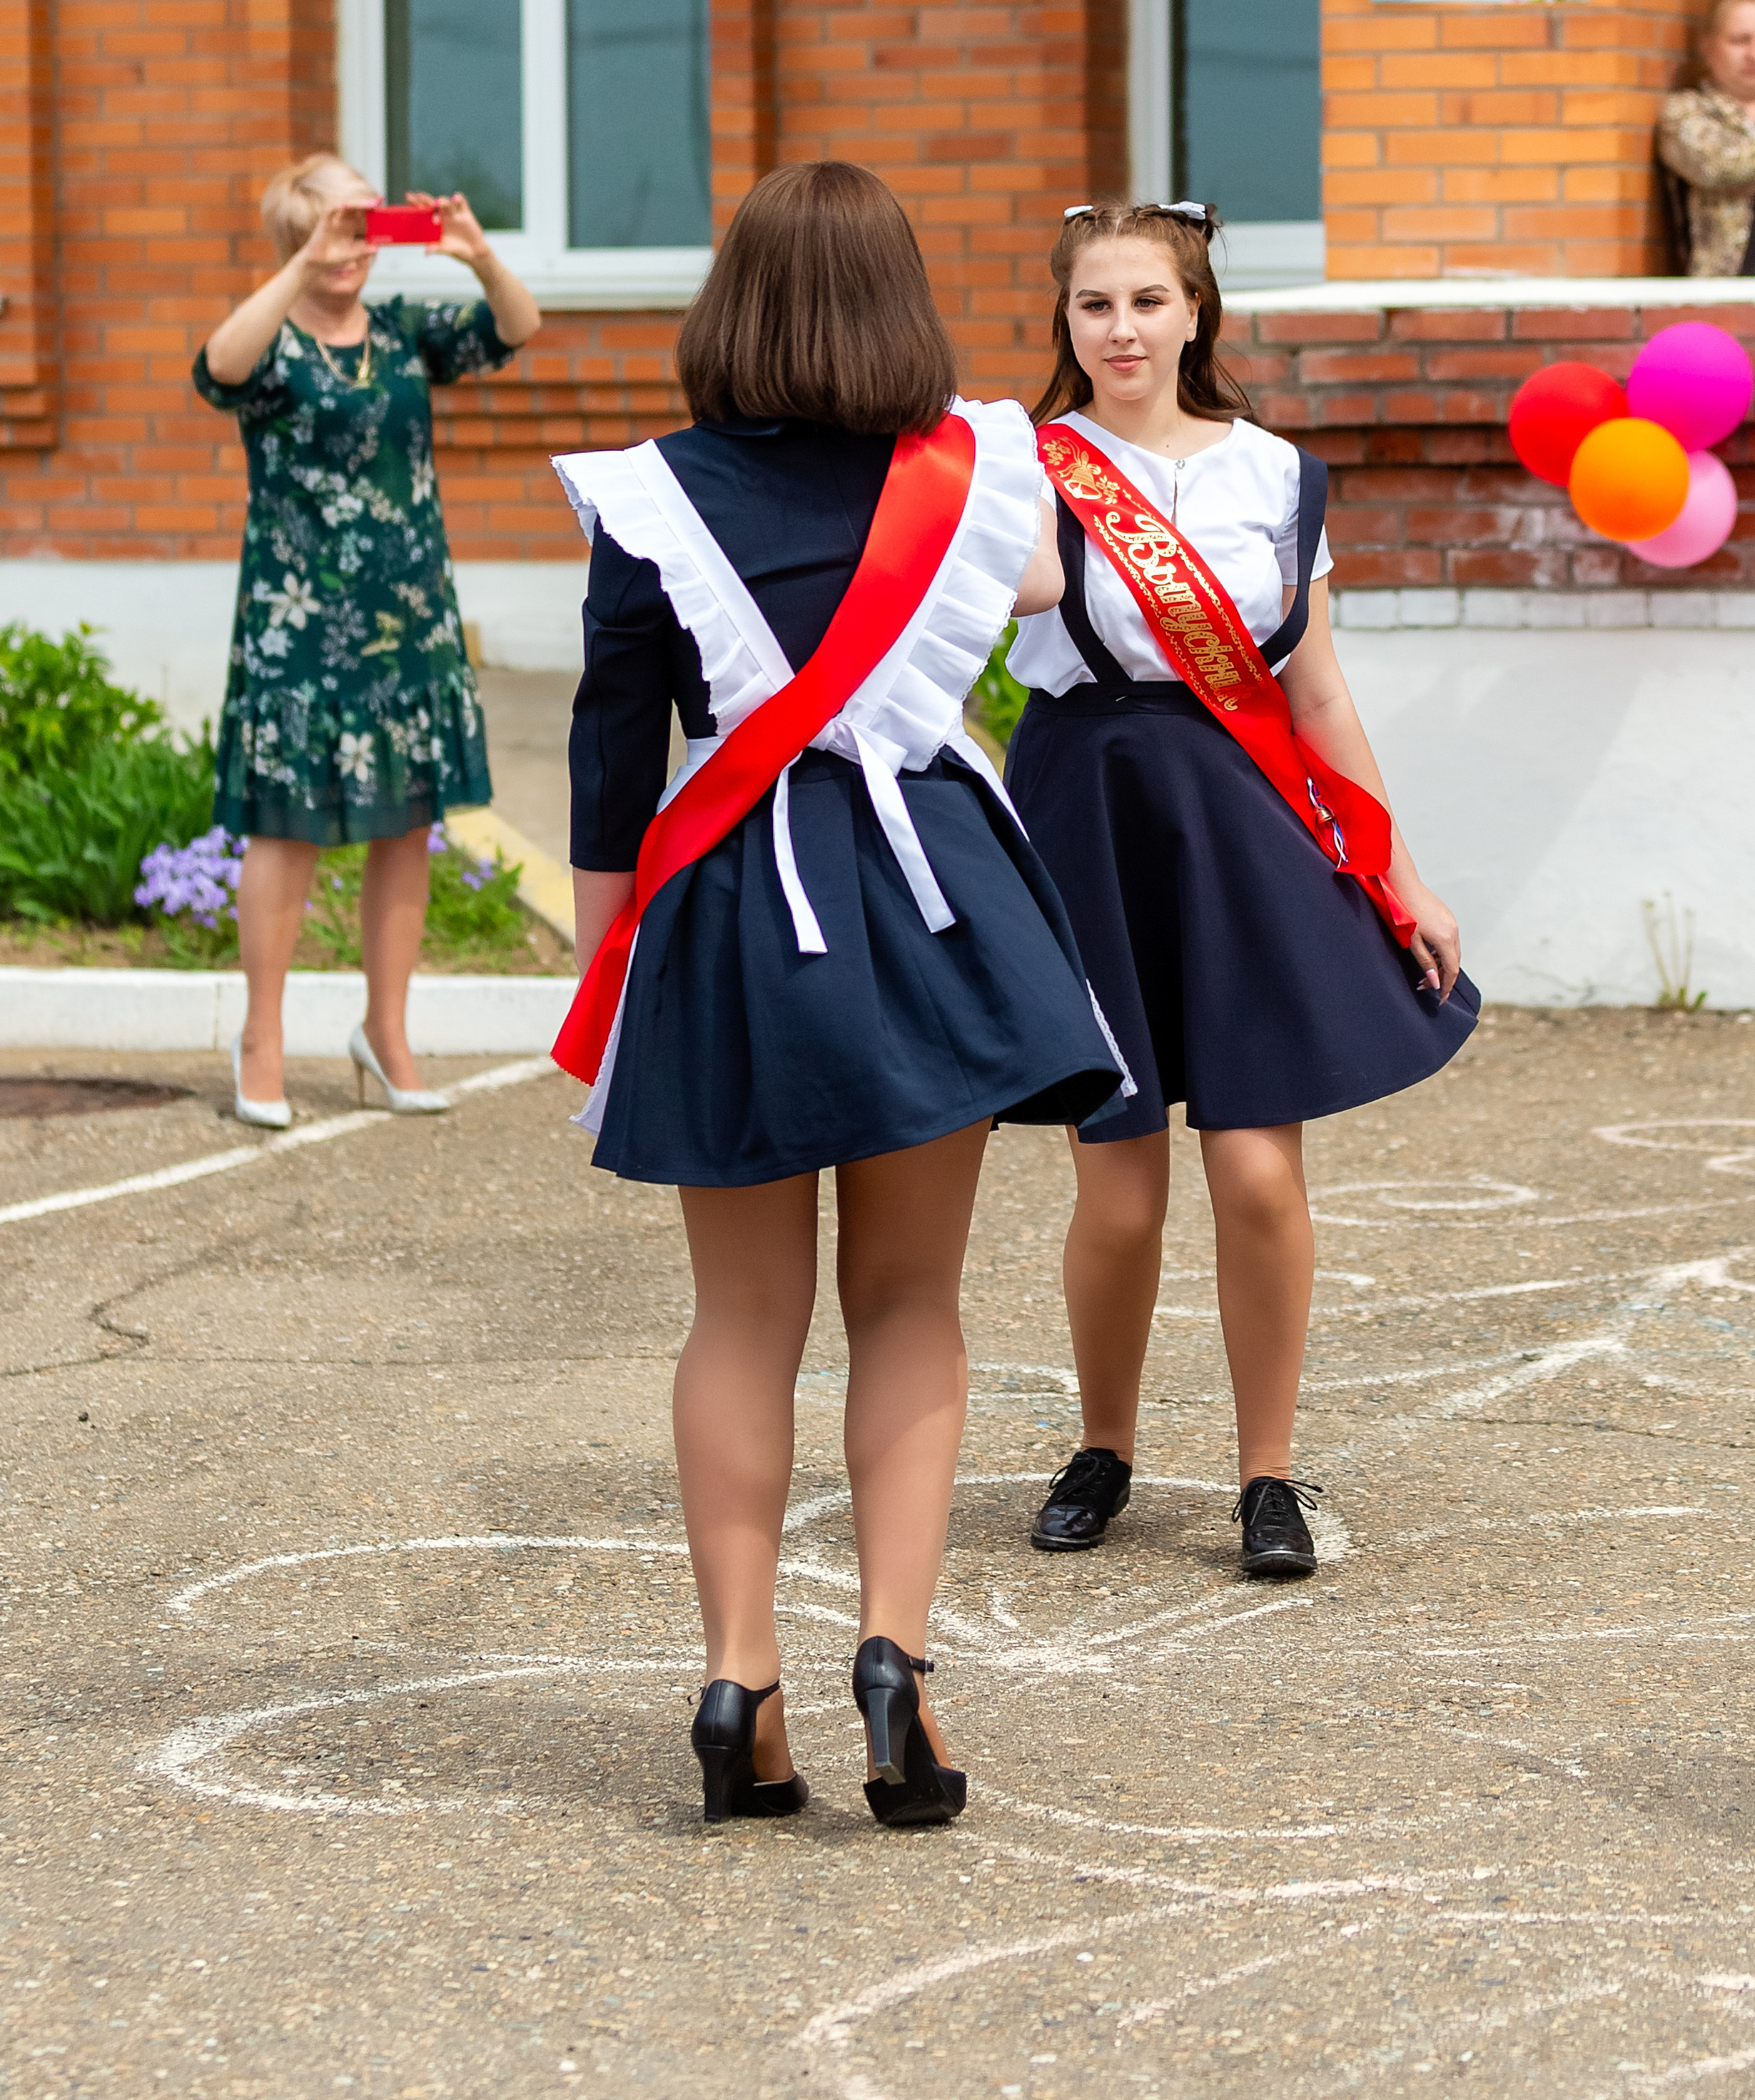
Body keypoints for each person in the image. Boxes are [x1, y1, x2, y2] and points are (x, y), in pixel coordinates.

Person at [553, 161, 1123, 1830]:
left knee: (739, 1317)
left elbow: (610, 748)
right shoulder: (972, 470)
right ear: (898, 306)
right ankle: (895, 1659)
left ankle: (739, 1679)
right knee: (907, 1303)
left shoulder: (650, 492)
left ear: (724, 302)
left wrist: (613, 955)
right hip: (924, 900)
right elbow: (1034, 590)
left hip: (726, 902)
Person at [1002, 201, 1479, 1579]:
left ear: (1198, 313)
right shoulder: (1028, 471)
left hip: (1243, 818)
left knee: (1260, 1177)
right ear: (1068, 323)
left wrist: (1396, 869)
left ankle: (1267, 1472)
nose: (1123, 330)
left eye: (1149, 301)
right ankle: (1105, 1445)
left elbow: (1314, 688)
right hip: (1087, 808)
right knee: (1121, 1186)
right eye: (1095, 306)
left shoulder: (1274, 476)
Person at [196, 152, 540, 1129]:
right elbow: (220, 365)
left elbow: (518, 329)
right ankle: (260, 1039)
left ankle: (386, 1033)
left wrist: (476, 254)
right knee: (287, 829)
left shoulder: (401, 335)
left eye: (362, 223)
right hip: (296, 626)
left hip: (410, 621)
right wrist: (300, 268)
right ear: (298, 233)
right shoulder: (272, 338)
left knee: (406, 826)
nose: (351, 243)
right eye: (332, 224)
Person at [1657, 0, 1755, 279]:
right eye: (1740, 41)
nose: (1753, 54)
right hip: (1725, 293)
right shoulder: (1686, 112)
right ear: (1708, 47)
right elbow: (1721, 166)